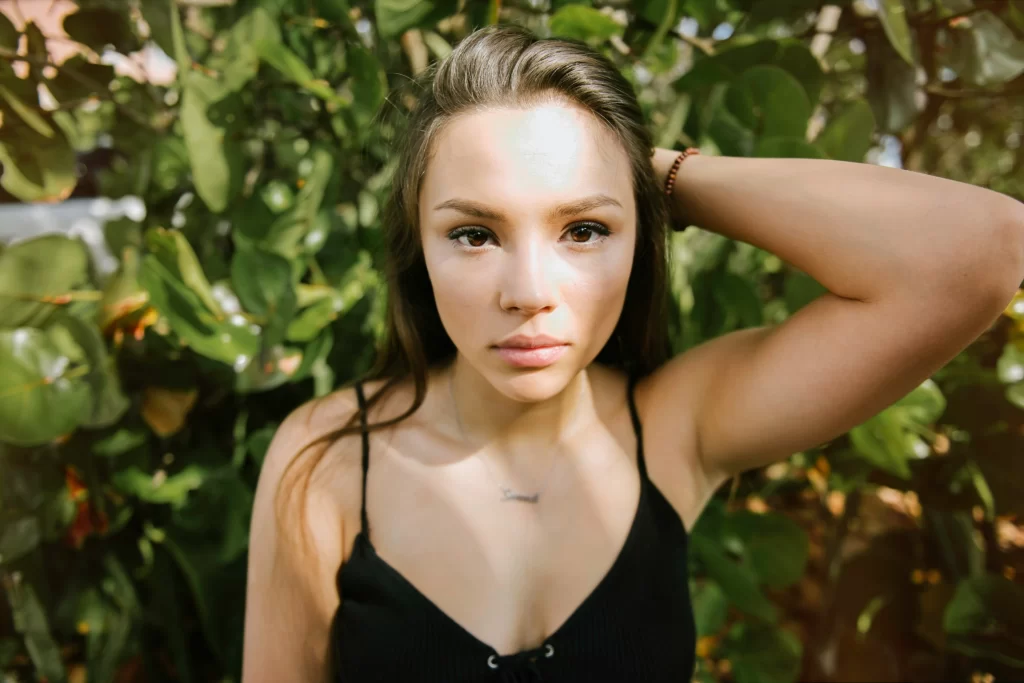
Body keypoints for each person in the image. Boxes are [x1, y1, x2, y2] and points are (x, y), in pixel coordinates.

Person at [240, 23, 1024, 683]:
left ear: (639, 238)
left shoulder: (678, 428)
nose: (528, 290)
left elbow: (984, 250)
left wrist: (651, 179)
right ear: (419, 244)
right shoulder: (330, 459)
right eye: (474, 233)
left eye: (584, 230)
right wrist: (595, 194)